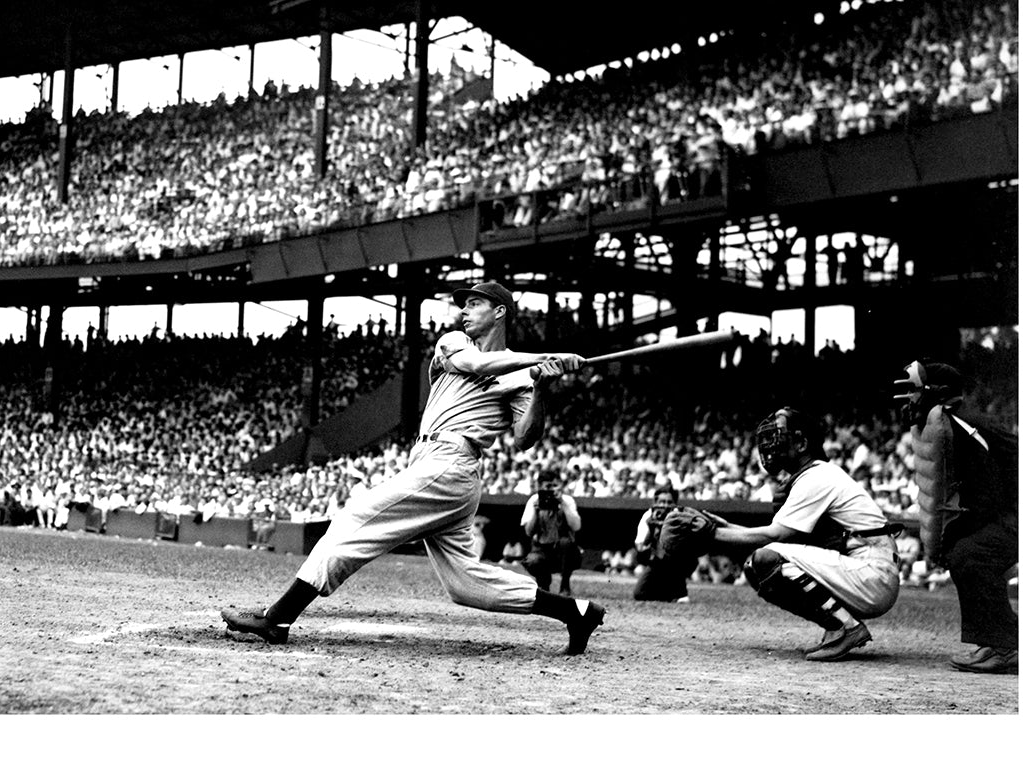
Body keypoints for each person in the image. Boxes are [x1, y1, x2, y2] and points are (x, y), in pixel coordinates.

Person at [221, 281, 606, 655]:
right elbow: (477, 364)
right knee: (465, 584)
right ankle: (576, 613)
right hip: (432, 463)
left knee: (354, 518)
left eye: (474, 304)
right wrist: (541, 359)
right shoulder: (455, 343)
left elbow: (524, 438)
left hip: (453, 463)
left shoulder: (522, 376)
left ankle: (279, 618)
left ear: (499, 312)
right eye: (464, 304)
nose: (464, 310)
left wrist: (540, 386)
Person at [708, 407, 901, 661]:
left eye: (779, 436)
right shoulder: (812, 475)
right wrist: (722, 526)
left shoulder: (816, 476)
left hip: (872, 571)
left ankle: (847, 628)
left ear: (801, 443)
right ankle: (838, 627)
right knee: (755, 565)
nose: (770, 445)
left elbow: (772, 537)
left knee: (767, 560)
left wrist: (713, 535)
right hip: (865, 568)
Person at [895, 359, 1018, 673]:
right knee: (962, 552)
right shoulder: (948, 421)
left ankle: (1006, 647)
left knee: (971, 554)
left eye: (913, 391)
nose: (908, 398)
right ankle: (996, 642)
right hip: (1010, 511)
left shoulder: (961, 422)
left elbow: (1002, 470)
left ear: (937, 392)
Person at [520, 469, 582, 595]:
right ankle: (543, 584)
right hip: (541, 549)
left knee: (566, 543)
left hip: (563, 551)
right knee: (533, 561)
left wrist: (562, 504)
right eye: (548, 486)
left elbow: (576, 527)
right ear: (540, 487)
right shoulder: (534, 500)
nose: (551, 490)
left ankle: (565, 585)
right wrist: (536, 511)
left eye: (555, 485)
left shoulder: (567, 500)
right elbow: (528, 532)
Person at [632, 485, 696, 602]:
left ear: (674, 504)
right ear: (655, 502)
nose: (665, 506)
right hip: (656, 561)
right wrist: (651, 529)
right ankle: (666, 593)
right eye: (662, 502)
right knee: (639, 594)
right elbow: (640, 548)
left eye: (669, 502)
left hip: (679, 561)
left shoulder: (681, 516)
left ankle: (680, 591)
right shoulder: (648, 516)